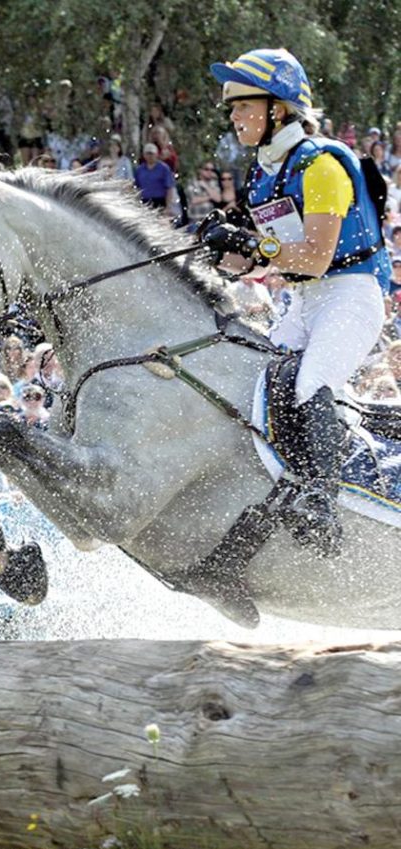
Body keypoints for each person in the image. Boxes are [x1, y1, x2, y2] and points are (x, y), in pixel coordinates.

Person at [204, 48, 388, 556]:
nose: (235, 117)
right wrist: (220, 250)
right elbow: (266, 266)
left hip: (351, 295)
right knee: (252, 386)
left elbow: (313, 256)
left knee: (311, 383)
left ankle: (322, 503)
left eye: (244, 106)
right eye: (234, 109)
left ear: (278, 109)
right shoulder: (262, 175)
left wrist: (253, 246)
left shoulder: (321, 164)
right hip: (303, 302)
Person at [134, 143, 176, 210]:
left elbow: (169, 188)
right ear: (144, 155)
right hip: (145, 201)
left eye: (152, 154)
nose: (150, 156)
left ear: (156, 154)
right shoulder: (140, 170)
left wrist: (168, 206)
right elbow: (136, 187)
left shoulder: (164, 168)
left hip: (160, 201)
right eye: (148, 154)